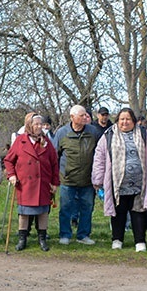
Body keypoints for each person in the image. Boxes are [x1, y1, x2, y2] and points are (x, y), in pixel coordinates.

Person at [92, 107, 147, 252]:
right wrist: (98, 179)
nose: (124, 122)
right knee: (118, 212)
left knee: (138, 212)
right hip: (117, 183)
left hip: (139, 183)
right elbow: (99, 158)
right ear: (117, 120)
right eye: (122, 119)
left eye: (128, 119)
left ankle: (140, 241)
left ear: (134, 121)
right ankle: (117, 239)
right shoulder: (109, 135)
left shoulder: (144, 134)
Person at [4, 113, 60, 251]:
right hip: (25, 184)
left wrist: (55, 183)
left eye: (41, 124)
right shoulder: (20, 141)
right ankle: (22, 239)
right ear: (29, 125)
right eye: (36, 124)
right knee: (24, 213)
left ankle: (42, 239)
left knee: (43, 213)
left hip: (43, 183)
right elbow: (8, 160)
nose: (40, 127)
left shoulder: (47, 142)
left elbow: (54, 163)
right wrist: (11, 175)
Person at [53, 105, 101, 245]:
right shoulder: (62, 133)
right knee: (65, 208)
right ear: (72, 117)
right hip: (68, 179)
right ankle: (65, 234)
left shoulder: (93, 132)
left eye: (86, 115)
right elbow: (55, 155)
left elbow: (100, 153)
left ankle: (83, 235)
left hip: (87, 179)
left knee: (87, 208)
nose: (85, 117)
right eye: (81, 115)